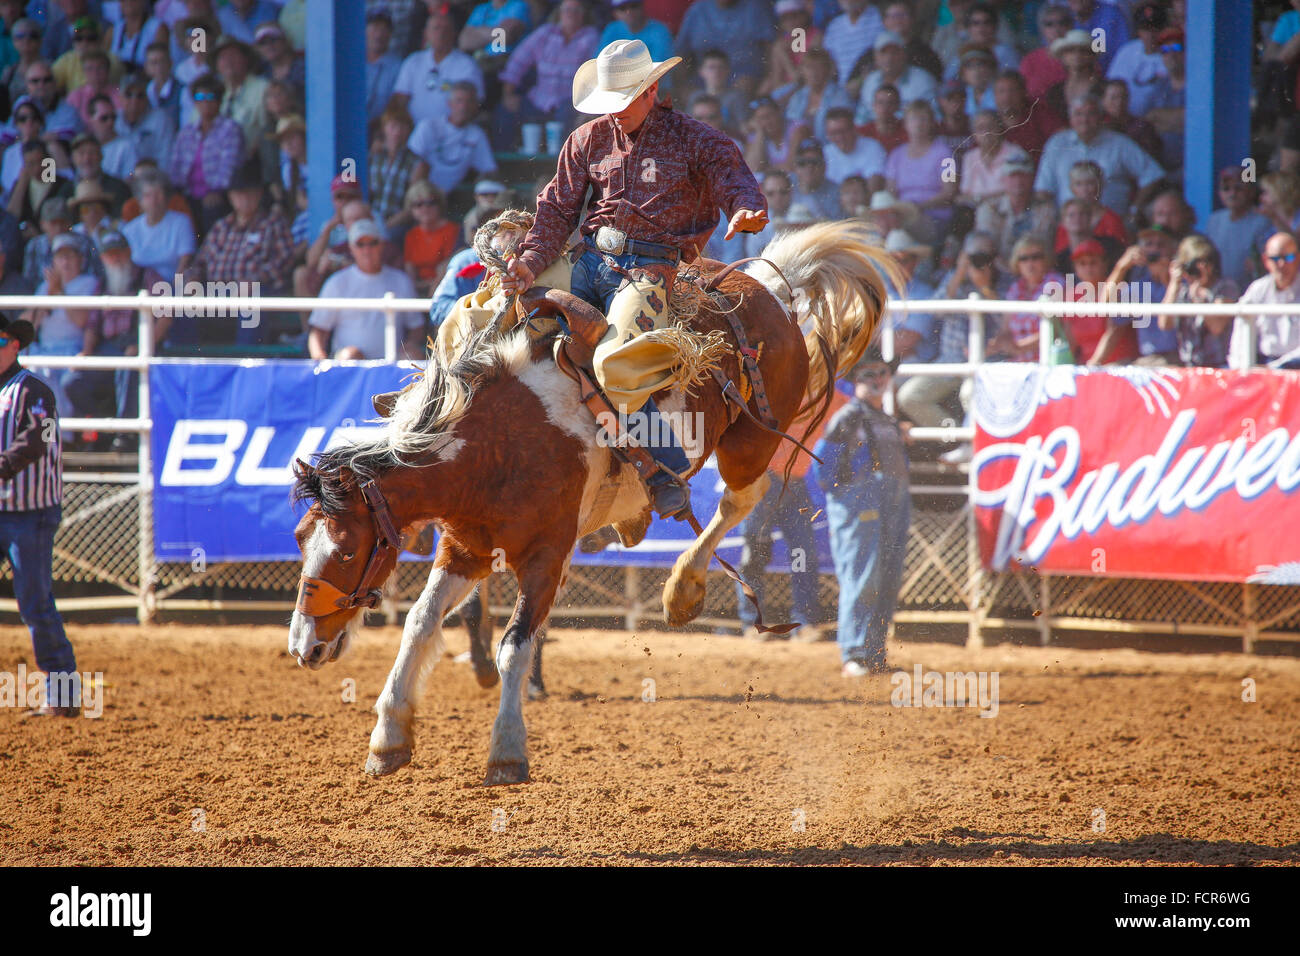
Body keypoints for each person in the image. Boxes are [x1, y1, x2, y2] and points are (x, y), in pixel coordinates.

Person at [500, 39, 767, 518]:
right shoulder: (586, 140)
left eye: (624, 101)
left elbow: (732, 174)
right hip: (587, 258)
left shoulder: (695, 139)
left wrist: (746, 207)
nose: (615, 113)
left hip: (650, 268)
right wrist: (530, 260)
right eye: (610, 103)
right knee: (500, 319)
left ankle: (665, 465)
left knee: (615, 363)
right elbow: (557, 208)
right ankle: (443, 407)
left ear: (652, 90)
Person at [813, 349, 911, 678]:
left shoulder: (888, 422)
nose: (876, 380)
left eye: (881, 373)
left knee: (885, 579)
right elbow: (822, 467)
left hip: (890, 506)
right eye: (868, 374)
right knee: (863, 577)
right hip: (861, 506)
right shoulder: (848, 417)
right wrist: (853, 497)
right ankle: (855, 652)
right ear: (856, 381)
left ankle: (874, 653)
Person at [0, 314, 80, 716]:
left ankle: (62, 694)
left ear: (15, 345)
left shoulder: (35, 391)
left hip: (30, 513)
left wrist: (4, 464)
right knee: (35, 601)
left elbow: (40, 440)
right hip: (10, 509)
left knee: (34, 601)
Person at [184, 161, 294, 345]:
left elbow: (285, 259)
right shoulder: (222, 226)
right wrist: (192, 277)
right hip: (216, 291)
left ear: (259, 194)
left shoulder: (273, 223)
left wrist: (255, 280)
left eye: (249, 193)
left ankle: (245, 360)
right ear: (231, 197)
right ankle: (186, 359)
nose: (244, 199)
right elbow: (200, 262)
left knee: (251, 300)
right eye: (239, 194)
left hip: (256, 290)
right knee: (181, 293)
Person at [309, 220, 422, 361]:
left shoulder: (401, 280)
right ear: (351, 248)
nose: (367, 250)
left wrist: (408, 348)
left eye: (372, 243)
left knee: (413, 356)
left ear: (381, 245)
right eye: (360, 244)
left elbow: (417, 327)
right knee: (350, 355)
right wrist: (320, 364)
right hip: (350, 366)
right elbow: (318, 331)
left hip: (394, 365)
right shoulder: (336, 283)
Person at [1034, 93, 1164, 215]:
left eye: (1090, 114)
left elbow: (1153, 174)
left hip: (1112, 224)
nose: (1084, 119)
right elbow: (1043, 189)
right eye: (1078, 114)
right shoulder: (1057, 143)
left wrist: (1134, 209)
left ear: (1101, 117)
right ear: (1070, 118)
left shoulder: (1119, 143)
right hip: (1068, 225)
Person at [494, 0, 597, 151]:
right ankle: (505, 166)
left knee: (568, 114)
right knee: (505, 110)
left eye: (576, 10)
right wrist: (507, 94)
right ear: (560, 12)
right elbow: (517, 62)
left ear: (583, 15)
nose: (571, 13)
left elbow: (594, 73)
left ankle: (564, 167)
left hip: (571, 102)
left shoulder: (590, 36)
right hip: (539, 100)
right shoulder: (545, 33)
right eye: (567, 9)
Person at [168, 74, 244, 233]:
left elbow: (229, 166)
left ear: (220, 100)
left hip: (218, 195)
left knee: (212, 208)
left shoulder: (230, 129)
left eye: (211, 97)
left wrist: (216, 191)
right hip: (187, 194)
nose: (206, 102)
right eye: (200, 97)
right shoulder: (186, 132)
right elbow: (176, 166)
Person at [1099, 224, 1180, 365]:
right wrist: (1121, 267)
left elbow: (1167, 321)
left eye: (1161, 245)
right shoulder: (1141, 286)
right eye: (1149, 244)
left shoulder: (1182, 281)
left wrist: (1168, 277)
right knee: (1110, 373)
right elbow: (1103, 307)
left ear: (1173, 250)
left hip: (1177, 358)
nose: (1154, 250)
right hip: (1148, 360)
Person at [391, 7, 484, 128]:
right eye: (436, 28)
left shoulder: (467, 65)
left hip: (452, 135)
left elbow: (474, 104)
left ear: (454, 33)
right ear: (426, 34)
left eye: (446, 29)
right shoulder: (413, 61)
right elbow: (399, 100)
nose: (441, 33)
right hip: (414, 134)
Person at [1157, 236, 1238, 369]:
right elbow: (1164, 324)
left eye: (1206, 263)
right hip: (1189, 366)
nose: (1202, 269)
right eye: (1194, 265)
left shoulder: (1226, 287)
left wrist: (1198, 300)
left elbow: (1217, 327)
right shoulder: (1182, 291)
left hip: (1220, 366)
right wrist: (1174, 284)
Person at [407, 81, 497, 195]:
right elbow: (409, 159)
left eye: (469, 101)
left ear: (476, 105)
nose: (464, 106)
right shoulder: (428, 126)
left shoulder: (477, 135)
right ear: (449, 103)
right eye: (459, 100)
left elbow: (489, 169)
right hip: (414, 193)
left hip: (446, 198)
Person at [1229, 232, 1300, 368]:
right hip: (1263, 365)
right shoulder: (1257, 289)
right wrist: (1240, 368)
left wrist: (1278, 367)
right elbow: (1241, 333)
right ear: (1265, 260)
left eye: (1288, 258)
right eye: (1275, 259)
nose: (1281, 264)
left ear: (1298, 258)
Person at [975, 153, 1058, 269]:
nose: (1018, 180)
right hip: (998, 271)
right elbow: (987, 248)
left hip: (1035, 270)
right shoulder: (989, 208)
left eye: (1023, 175)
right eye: (1012, 176)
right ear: (1004, 179)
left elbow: (1043, 244)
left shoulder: (1045, 207)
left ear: (1032, 178)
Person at [1067, 238, 1137, 365]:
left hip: (1119, 365)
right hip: (1087, 366)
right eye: (1082, 263)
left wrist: (1093, 365)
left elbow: (1114, 332)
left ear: (1104, 263)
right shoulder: (1072, 296)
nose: (1088, 268)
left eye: (1093, 262)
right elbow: (1070, 340)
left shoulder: (1119, 288)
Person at [121, 168, 195, 278]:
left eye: (158, 194)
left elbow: (186, 261)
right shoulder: (129, 230)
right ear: (139, 201)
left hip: (171, 288)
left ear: (167, 197)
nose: (154, 200)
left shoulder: (181, 223)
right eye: (148, 195)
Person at [1206, 169, 1274, 290]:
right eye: (1226, 188)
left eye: (1239, 188)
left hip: (1252, 295)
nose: (1232, 193)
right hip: (1219, 296)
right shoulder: (1214, 221)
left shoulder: (1263, 221)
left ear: (1251, 191)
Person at [1105, 2, 1169, 118]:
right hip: (1124, 119)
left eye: (1156, 28)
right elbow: (1111, 86)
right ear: (1138, 31)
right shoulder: (1127, 51)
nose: (1150, 34)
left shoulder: (1171, 54)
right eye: (1146, 29)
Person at [402, 181, 457, 297]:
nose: (425, 208)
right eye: (418, 204)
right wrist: (415, 287)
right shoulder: (411, 234)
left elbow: (447, 267)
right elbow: (410, 268)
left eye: (430, 203)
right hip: (417, 289)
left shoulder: (452, 230)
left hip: (444, 288)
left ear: (439, 204)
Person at [600, 1, 674, 65]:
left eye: (634, 6)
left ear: (642, 7)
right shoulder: (612, 29)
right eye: (622, 8)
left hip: (655, 80)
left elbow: (659, 68)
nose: (629, 12)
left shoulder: (660, 31)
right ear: (615, 13)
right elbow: (600, 62)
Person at [790, 138, 842, 220]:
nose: (809, 168)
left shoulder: (837, 193)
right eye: (802, 163)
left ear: (824, 166)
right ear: (795, 167)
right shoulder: (785, 186)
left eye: (814, 162)